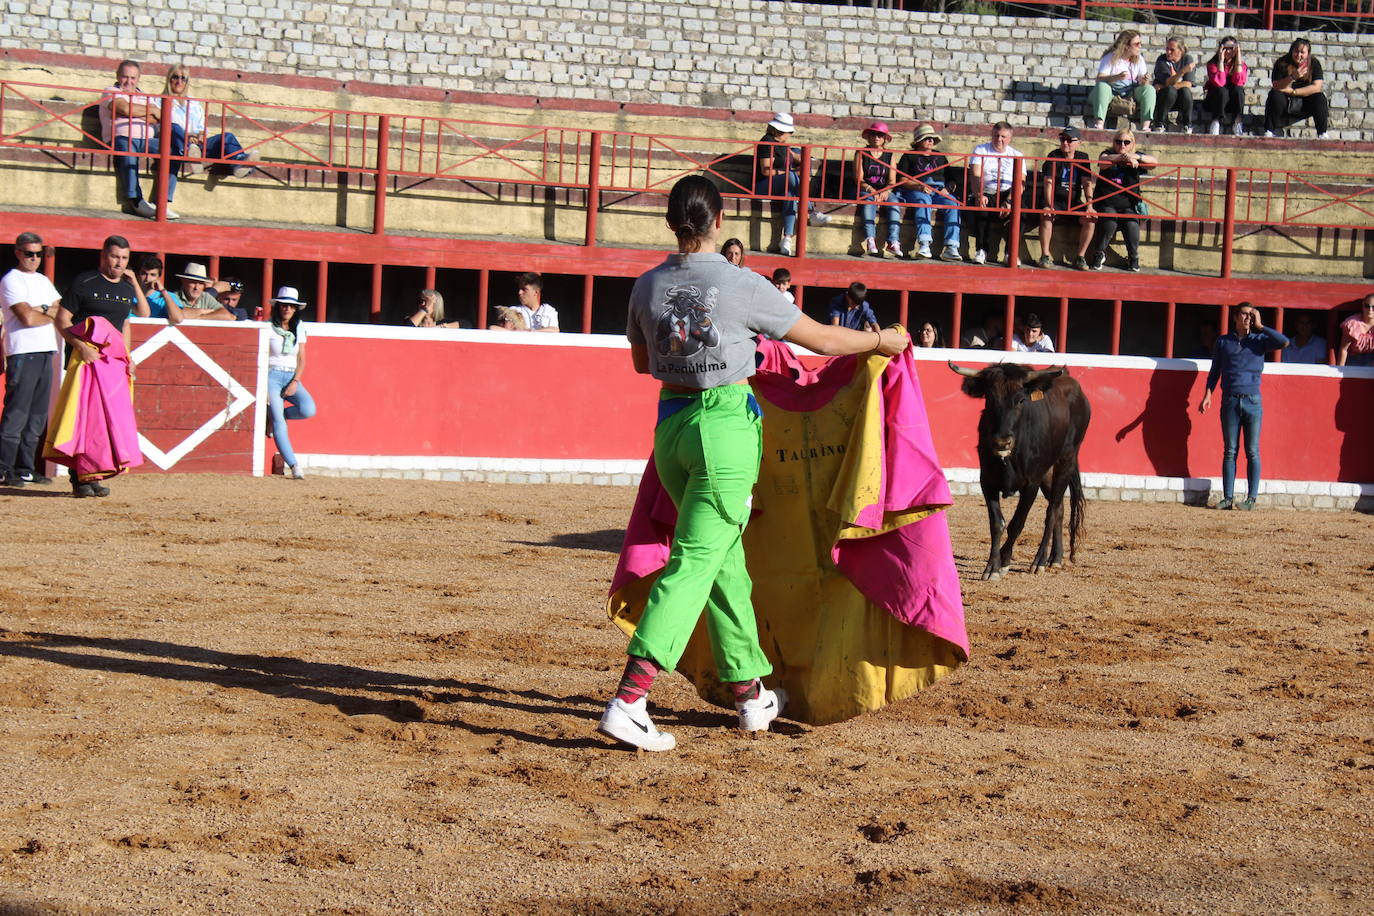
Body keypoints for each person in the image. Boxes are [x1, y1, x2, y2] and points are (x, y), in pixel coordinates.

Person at [599, 174, 910, 752]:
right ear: (720, 221)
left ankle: (750, 694)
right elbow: (818, 339)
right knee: (697, 561)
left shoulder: (647, 286)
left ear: (672, 223)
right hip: (724, 431)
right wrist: (878, 343)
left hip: (671, 428)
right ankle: (630, 698)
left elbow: (644, 363)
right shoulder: (742, 284)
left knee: (724, 566)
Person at [53, 235, 147, 497]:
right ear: (104, 255)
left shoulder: (127, 289)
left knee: (106, 422)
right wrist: (80, 346)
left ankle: (94, 475)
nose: (119, 263)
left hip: (113, 365)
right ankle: (79, 479)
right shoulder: (84, 283)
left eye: (124, 258)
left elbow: (128, 322)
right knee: (83, 420)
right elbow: (62, 320)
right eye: (115, 256)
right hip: (86, 361)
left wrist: (127, 357)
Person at [1198, 302, 1289, 511]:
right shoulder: (1224, 342)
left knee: (1252, 451)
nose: (1248, 318)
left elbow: (1284, 342)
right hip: (1230, 399)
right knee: (1230, 450)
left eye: (1251, 315)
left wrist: (1262, 325)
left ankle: (1251, 499)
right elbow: (1215, 371)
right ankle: (1228, 498)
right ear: (1235, 317)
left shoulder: (1260, 339)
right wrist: (1207, 395)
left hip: (1252, 400)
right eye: (1245, 314)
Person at [0, 233, 61, 487]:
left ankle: (26, 468)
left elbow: (61, 309)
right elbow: (26, 318)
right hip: (23, 351)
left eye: (38, 254)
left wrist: (40, 309)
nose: (34, 258)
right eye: (29, 253)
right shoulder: (10, 280)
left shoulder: (43, 281)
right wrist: (46, 310)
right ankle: (4, 468)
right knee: (17, 412)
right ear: (17, 252)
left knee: (36, 415)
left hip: (45, 350)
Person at [99, 60, 181, 220]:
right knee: (128, 150)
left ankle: (161, 202)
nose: (128, 81)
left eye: (133, 78)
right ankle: (135, 200)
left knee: (172, 152)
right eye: (125, 77)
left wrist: (133, 111)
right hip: (120, 138)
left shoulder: (145, 96)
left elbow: (160, 116)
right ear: (117, 76)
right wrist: (147, 112)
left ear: (138, 79)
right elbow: (123, 108)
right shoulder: (110, 91)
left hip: (147, 140)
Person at [752, 111, 829, 258]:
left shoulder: (783, 146)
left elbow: (801, 159)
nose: (790, 135)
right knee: (792, 177)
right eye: (789, 132)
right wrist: (789, 173)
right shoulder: (766, 142)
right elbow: (765, 171)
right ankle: (811, 212)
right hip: (763, 185)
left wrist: (796, 157)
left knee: (791, 195)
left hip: (780, 186)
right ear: (782, 131)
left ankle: (787, 239)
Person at [163, 62, 258, 178]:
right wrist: (188, 136)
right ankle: (190, 154)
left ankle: (239, 163)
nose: (179, 82)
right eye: (175, 77)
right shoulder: (159, 100)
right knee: (174, 127)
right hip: (176, 145)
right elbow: (163, 126)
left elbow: (201, 127)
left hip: (197, 145)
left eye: (183, 78)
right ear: (169, 79)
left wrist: (200, 135)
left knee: (227, 137)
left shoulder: (193, 103)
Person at [1087, 128, 1156, 273]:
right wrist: (1123, 157)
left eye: (1126, 142)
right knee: (1109, 220)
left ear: (1132, 143)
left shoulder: (1136, 156)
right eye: (1119, 142)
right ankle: (1098, 253)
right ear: (1114, 143)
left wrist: (1136, 157)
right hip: (1106, 202)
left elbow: (1154, 163)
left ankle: (1133, 257)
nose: (1122, 145)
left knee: (1131, 224)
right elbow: (1103, 162)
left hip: (1128, 204)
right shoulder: (1108, 153)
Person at [265, 287, 317, 479]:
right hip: (270, 376)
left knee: (308, 409)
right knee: (279, 423)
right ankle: (294, 466)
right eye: (284, 305)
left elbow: (302, 358)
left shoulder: (299, 327)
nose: (287, 308)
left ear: (296, 309)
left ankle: (275, 416)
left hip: (290, 376)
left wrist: (295, 380)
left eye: (291, 306)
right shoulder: (267, 326)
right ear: (278, 307)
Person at [894, 123, 962, 261]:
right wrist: (918, 186)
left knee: (953, 203)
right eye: (927, 138)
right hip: (917, 191)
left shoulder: (940, 157)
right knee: (923, 201)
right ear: (919, 141)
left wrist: (947, 188)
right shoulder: (909, 156)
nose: (931, 141)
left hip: (938, 191)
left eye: (932, 138)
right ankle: (924, 244)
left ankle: (951, 246)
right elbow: (902, 179)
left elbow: (952, 180)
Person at [968, 121, 1027, 266]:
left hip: (1008, 193)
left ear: (1010, 138)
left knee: (1022, 212)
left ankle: (1010, 253)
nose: (999, 139)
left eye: (1003, 136)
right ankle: (981, 250)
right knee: (982, 207)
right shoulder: (981, 150)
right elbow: (975, 175)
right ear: (991, 135)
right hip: (987, 190)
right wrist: (979, 195)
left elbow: (1021, 183)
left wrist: (1009, 201)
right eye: (996, 135)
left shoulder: (1017, 154)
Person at [1038, 126, 1096, 270]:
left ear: (1078, 143)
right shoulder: (1054, 155)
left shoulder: (1083, 157)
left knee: (1091, 218)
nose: (1065, 143)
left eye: (1069, 140)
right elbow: (1048, 183)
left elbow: (1087, 183)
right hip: (1056, 201)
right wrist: (1049, 204)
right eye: (1063, 139)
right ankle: (1045, 255)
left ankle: (1080, 257)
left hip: (1074, 202)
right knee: (1046, 214)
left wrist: (1089, 205)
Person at [1088, 30, 1155, 133]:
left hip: (1130, 93)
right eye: (1137, 44)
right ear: (1126, 46)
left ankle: (1145, 126)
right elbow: (1099, 79)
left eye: (1140, 43)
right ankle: (1099, 124)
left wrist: (1144, 80)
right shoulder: (1111, 57)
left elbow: (1143, 83)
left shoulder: (1139, 59)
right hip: (1111, 92)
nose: (1140, 46)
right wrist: (1117, 77)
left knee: (1149, 89)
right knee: (1102, 86)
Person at [1264, 38, 1329, 139]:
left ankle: (1322, 133)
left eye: (1302, 52)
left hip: (1305, 101)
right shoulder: (1282, 63)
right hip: (1285, 101)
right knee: (1275, 95)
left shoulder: (1314, 64)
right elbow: (1276, 86)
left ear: (1308, 53)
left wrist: (1294, 92)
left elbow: (1316, 87)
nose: (1299, 55)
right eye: (1296, 51)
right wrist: (1292, 77)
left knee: (1320, 98)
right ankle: (1269, 130)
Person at [854, 122, 901, 258]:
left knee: (894, 203)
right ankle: (870, 240)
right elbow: (858, 179)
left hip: (884, 189)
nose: (876, 138)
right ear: (868, 137)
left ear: (885, 138)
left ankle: (893, 241)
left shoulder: (890, 155)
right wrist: (871, 190)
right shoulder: (861, 153)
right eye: (873, 134)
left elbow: (892, 180)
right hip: (866, 189)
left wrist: (886, 191)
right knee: (869, 202)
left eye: (880, 135)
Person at [1204, 37, 1249, 136]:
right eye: (1226, 48)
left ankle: (1237, 121)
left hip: (1232, 102)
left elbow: (1239, 81)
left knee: (1238, 89)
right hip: (1215, 100)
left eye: (1231, 48)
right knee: (1222, 90)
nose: (1228, 51)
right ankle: (1215, 122)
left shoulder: (1242, 65)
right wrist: (1220, 62)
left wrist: (1238, 59)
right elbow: (1219, 82)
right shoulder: (1212, 64)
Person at [1153, 37, 1197, 134]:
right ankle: (1159, 124)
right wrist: (1182, 72)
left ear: (1180, 51)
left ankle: (1187, 125)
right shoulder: (1162, 60)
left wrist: (1169, 84)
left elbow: (1188, 83)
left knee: (1185, 91)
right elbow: (1168, 83)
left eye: (1172, 50)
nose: (1168, 52)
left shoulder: (1187, 59)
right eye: (1167, 49)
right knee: (1170, 91)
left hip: (1180, 97)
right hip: (1165, 98)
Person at [132, 254, 184, 322]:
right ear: (138, 275)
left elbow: (178, 319)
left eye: (152, 275)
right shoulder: (129, 295)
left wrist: (163, 291)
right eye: (144, 274)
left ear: (158, 277)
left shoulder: (168, 297)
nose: (147, 279)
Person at [1337, 295, 1374, 367]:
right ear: (1363, 306)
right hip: (1353, 360)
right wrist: (1340, 369)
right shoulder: (1353, 324)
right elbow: (1344, 350)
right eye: (1367, 306)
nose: (1370, 310)